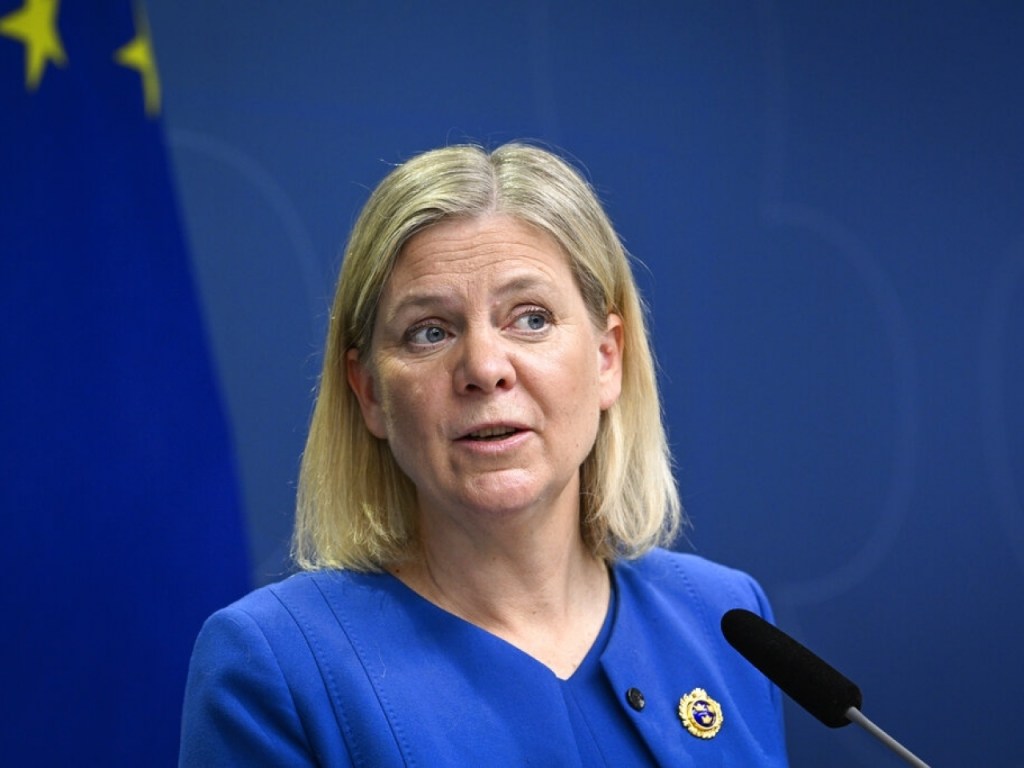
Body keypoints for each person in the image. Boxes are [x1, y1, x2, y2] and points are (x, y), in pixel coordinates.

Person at [179, 142, 789, 766]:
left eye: (531, 319)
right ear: (370, 394)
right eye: (430, 331)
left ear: (607, 359)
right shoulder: (276, 667)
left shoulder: (725, 620)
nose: (484, 367)